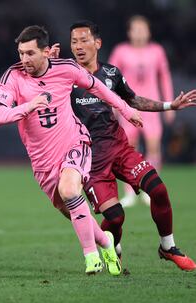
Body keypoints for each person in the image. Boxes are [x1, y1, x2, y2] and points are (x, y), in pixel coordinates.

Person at [0, 25, 143, 275]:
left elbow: (100, 89)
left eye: (30, 53)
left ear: (46, 52)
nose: (24, 60)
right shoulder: (13, 77)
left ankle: (91, 257)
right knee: (72, 208)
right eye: (20, 53)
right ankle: (106, 242)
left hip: (75, 143)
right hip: (42, 162)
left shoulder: (66, 69)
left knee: (70, 190)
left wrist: (127, 111)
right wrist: (28, 106)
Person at [58, 20, 196, 271]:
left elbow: (132, 99)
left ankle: (168, 247)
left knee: (159, 190)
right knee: (116, 217)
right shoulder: (64, 78)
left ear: (97, 43)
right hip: (91, 159)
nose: (78, 46)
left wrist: (169, 106)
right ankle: (114, 248)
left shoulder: (111, 73)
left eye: (83, 40)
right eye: (74, 42)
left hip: (120, 148)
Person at [109, 15, 175, 207]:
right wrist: (113, 104)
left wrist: (169, 104)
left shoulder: (157, 51)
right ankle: (130, 192)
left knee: (153, 147)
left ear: (149, 31)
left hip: (151, 106)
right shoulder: (121, 51)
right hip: (128, 106)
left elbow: (165, 77)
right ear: (129, 32)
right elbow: (110, 78)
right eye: (135, 29)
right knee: (130, 148)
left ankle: (150, 190)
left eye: (142, 28)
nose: (139, 32)